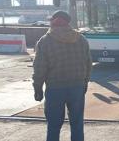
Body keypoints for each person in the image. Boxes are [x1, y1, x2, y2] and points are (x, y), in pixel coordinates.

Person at [32, 10, 92, 141]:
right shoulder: (81, 39)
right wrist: (85, 83)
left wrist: (37, 88)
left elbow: (39, 68)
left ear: (54, 21)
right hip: (77, 88)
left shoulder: (46, 41)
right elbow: (88, 64)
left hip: (55, 89)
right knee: (77, 124)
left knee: (53, 125)